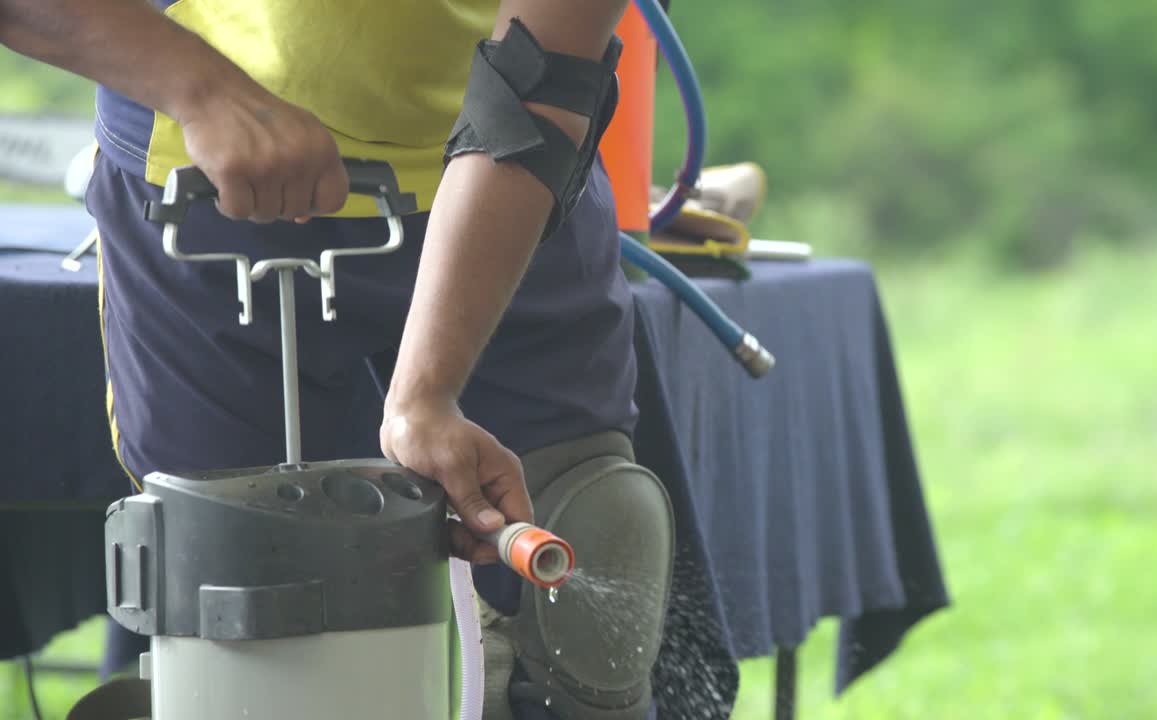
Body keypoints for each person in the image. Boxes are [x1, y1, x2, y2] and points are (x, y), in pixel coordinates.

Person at [0, 1, 676, 718]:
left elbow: (542, 74)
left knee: (588, 546)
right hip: (208, 186)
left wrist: (427, 392)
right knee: (238, 605)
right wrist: (202, 89)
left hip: (509, 180)